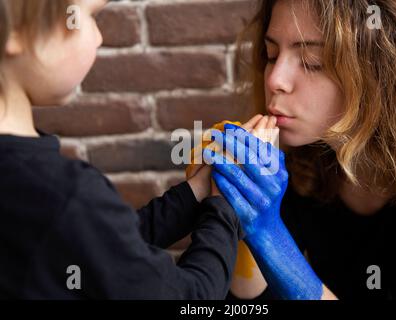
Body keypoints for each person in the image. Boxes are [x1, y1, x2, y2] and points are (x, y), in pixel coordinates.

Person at [203, 0, 396, 300]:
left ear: (384, 74)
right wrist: (233, 210)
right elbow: (248, 296)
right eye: (271, 54)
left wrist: (269, 236)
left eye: (310, 61)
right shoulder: (299, 160)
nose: (274, 79)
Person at [0, 0, 244, 299]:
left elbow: (102, 248)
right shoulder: (65, 195)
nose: (99, 37)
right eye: (86, 17)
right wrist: (226, 206)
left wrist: (197, 192)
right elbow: (192, 298)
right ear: (16, 33)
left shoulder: (36, 193)